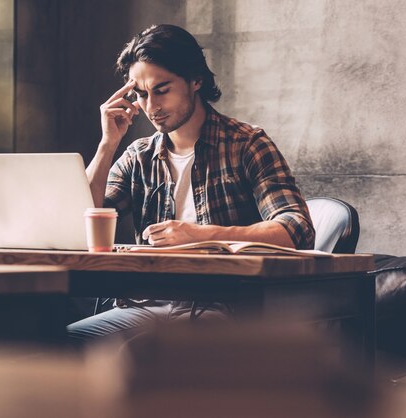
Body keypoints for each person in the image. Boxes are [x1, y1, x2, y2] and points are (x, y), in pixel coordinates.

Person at [68, 24, 314, 342]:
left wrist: (201, 236)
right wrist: (107, 144)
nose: (151, 107)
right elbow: (81, 219)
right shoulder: (138, 155)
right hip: (145, 305)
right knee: (60, 346)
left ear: (196, 80)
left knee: (141, 354)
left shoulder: (247, 143)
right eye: (141, 94)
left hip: (221, 308)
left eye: (162, 89)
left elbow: (297, 229)